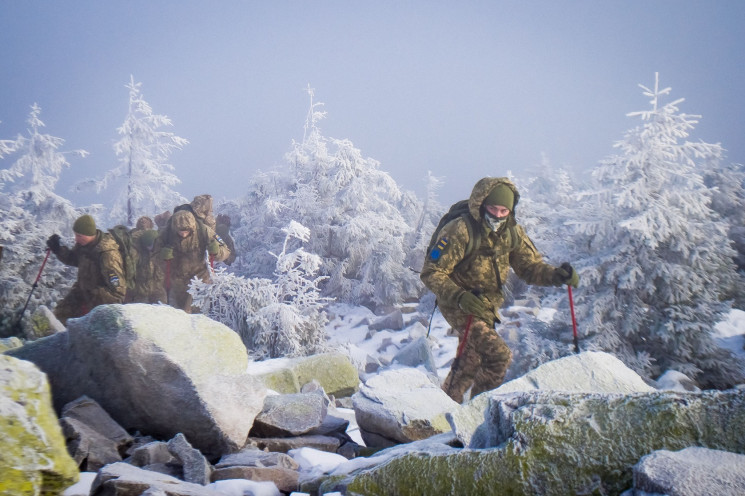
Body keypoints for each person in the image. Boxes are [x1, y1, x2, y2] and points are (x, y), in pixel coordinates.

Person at [420, 177, 579, 403]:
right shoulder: (460, 229)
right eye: (492, 208)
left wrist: (556, 276)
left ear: (510, 211)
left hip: (487, 307)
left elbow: (529, 268)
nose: (497, 215)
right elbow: (431, 271)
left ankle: (442, 413)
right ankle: (480, 417)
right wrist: (460, 297)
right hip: (458, 304)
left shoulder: (512, 232)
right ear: (481, 204)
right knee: (498, 357)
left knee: (469, 363)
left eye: (503, 210)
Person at [46, 214, 126, 325]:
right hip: (80, 293)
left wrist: (92, 297)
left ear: (90, 234)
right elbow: (74, 259)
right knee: (57, 319)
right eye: (75, 235)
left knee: (81, 331)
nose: (76, 239)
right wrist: (58, 250)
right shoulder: (84, 245)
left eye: (79, 236)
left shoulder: (108, 255)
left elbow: (117, 293)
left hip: (97, 303)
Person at [158, 208, 230, 313]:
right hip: (175, 282)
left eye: (186, 231)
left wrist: (216, 251)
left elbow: (226, 251)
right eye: (180, 231)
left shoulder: (205, 231)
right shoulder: (166, 233)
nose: (183, 234)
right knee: (174, 316)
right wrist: (162, 255)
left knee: (195, 315)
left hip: (200, 279)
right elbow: (151, 255)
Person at [126, 229, 166, 304]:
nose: (151, 248)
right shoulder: (134, 252)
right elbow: (129, 274)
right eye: (149, 246)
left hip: (157, 287)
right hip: (139, 290)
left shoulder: (159, 246)